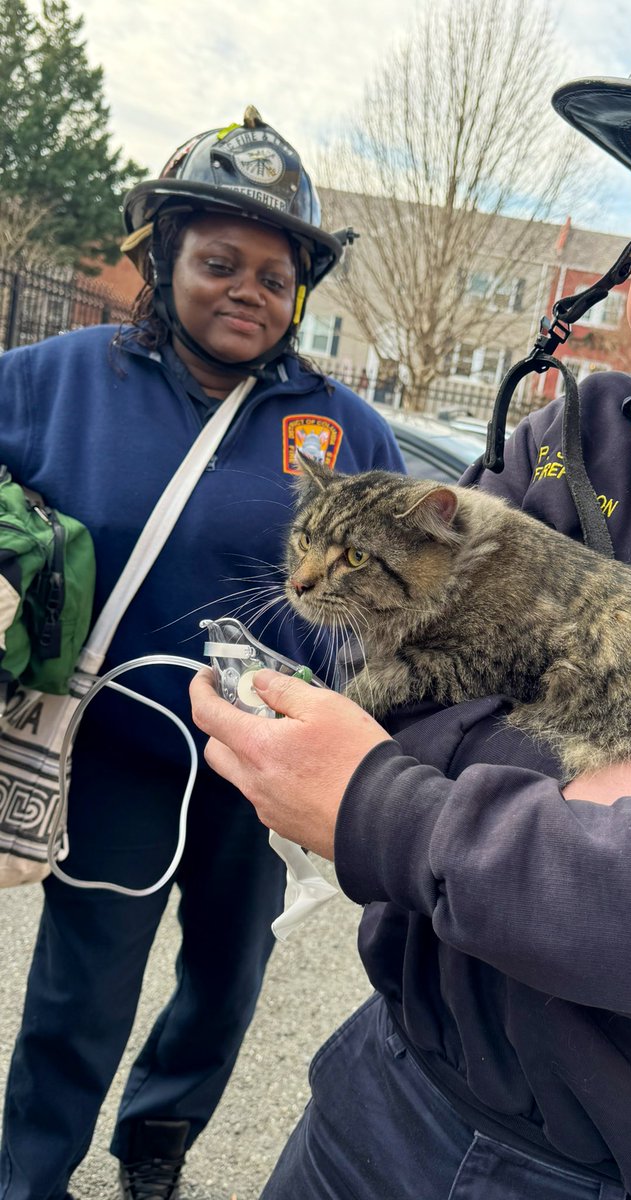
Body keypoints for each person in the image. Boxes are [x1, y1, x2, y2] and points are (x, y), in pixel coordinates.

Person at [191, 4, 631, 1198]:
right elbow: (393, 680)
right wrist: (617, 820)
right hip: (397, 1092)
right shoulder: (578, 436)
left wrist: (386, 809)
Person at [0, 108, 404, 1200]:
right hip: (122, 760)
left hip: (267, 769)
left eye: (275, 278)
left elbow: (408, 586)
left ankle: (155, 1150)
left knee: (225, 988)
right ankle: (28, 1179)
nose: (248, 293)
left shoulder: (344, 429)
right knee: (81, 997)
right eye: (218, 263)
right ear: (164, 257)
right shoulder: (65, 377)